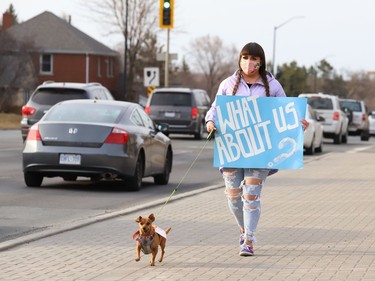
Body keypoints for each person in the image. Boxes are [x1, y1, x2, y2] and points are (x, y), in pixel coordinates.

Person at [205, 42, 309, 257]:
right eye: (245, 57)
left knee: (251, 194)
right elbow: (215, 109)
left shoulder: (272, 85)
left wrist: (298, 123)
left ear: (261, 61)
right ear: (240, 59)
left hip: (261, 149)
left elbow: (286, 112)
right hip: (232, 147)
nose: (249, 63)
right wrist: (210, 122)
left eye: (253, 59)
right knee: (233, 197)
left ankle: (249, 240)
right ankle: (243, 230)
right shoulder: (228, 84)